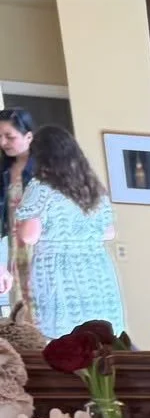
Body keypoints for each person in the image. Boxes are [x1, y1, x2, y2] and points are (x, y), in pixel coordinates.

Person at [17, 124, 124, 337]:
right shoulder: (92, 187)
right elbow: (108, 232)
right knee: (102, 337)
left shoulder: (40, 188)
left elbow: (29, 236)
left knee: (63, 338)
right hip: (96, 269)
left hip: (58, 269)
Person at [0, 108, 37, 327]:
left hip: (41, 247)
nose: (3, 142)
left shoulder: (46, 170)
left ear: (29, 136)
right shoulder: (4, 170)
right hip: (14, 248)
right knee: (20, 313)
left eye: (9, 136)